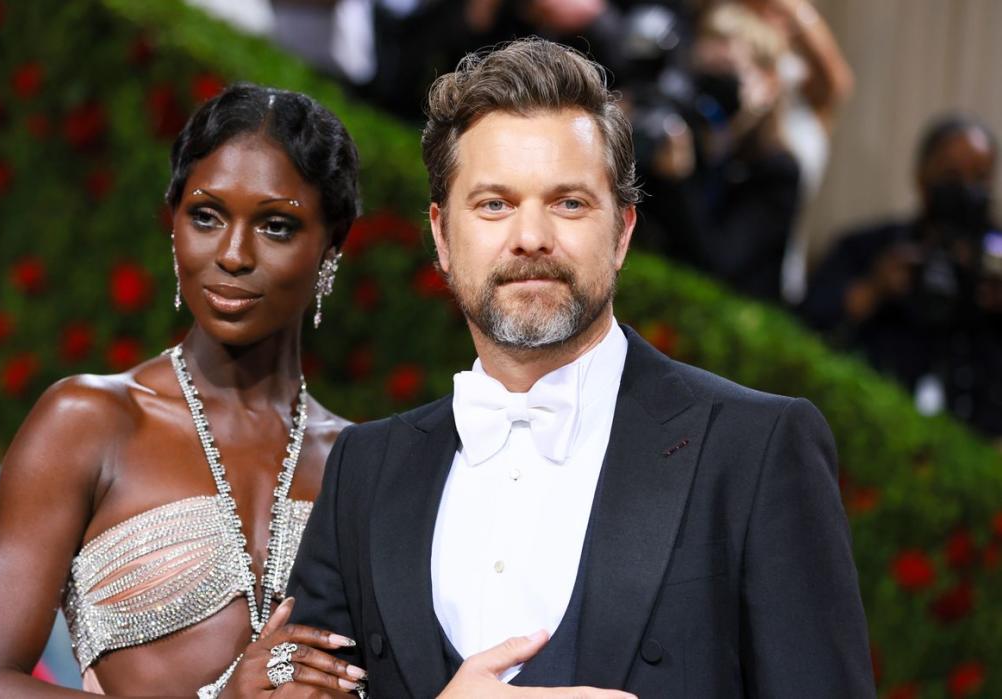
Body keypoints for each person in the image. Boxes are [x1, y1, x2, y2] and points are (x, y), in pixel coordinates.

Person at [283, 38, 875, 697]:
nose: (531, 235)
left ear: (622, 232)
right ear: (443, 237)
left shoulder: (755, 449)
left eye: (568, 202)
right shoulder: (363, 470)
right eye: (494, 204)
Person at [0, 84, 369, 697]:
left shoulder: (358, 462)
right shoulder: (89, 421)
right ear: (173, 222)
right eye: (205, 216)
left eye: (276, 226)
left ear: (332, 243)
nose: (233, 254)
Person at [802, 115, 1002, 438]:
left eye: (979, 177)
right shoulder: (868, 248)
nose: (965, 190)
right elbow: (803, 326)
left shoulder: (996, 263)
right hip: (874, 438)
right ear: (922, 175)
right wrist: (871, 291)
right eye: (951, 175)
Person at [639, 2, 802, 302]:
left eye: (727, 75)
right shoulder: (683, 140)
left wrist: (680, 183)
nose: (711, 92)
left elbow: (719, 264)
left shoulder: (776, 170)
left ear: (768, 84)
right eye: (704, 75)